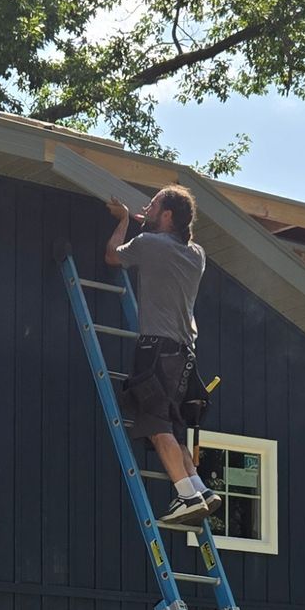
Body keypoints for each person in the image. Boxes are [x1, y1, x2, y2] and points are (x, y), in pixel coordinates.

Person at [104, 186, 217, 526]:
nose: (146, 208)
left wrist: (124, 220)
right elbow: (163, 247)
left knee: (155, 425)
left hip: (155, 350)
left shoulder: (149, 245)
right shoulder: (196, 253)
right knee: (173, 426)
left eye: (152, 206)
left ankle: (186, 496)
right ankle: (200, 488)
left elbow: (113, 255)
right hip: (184, 356)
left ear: (167, 215)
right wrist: (147, 226)